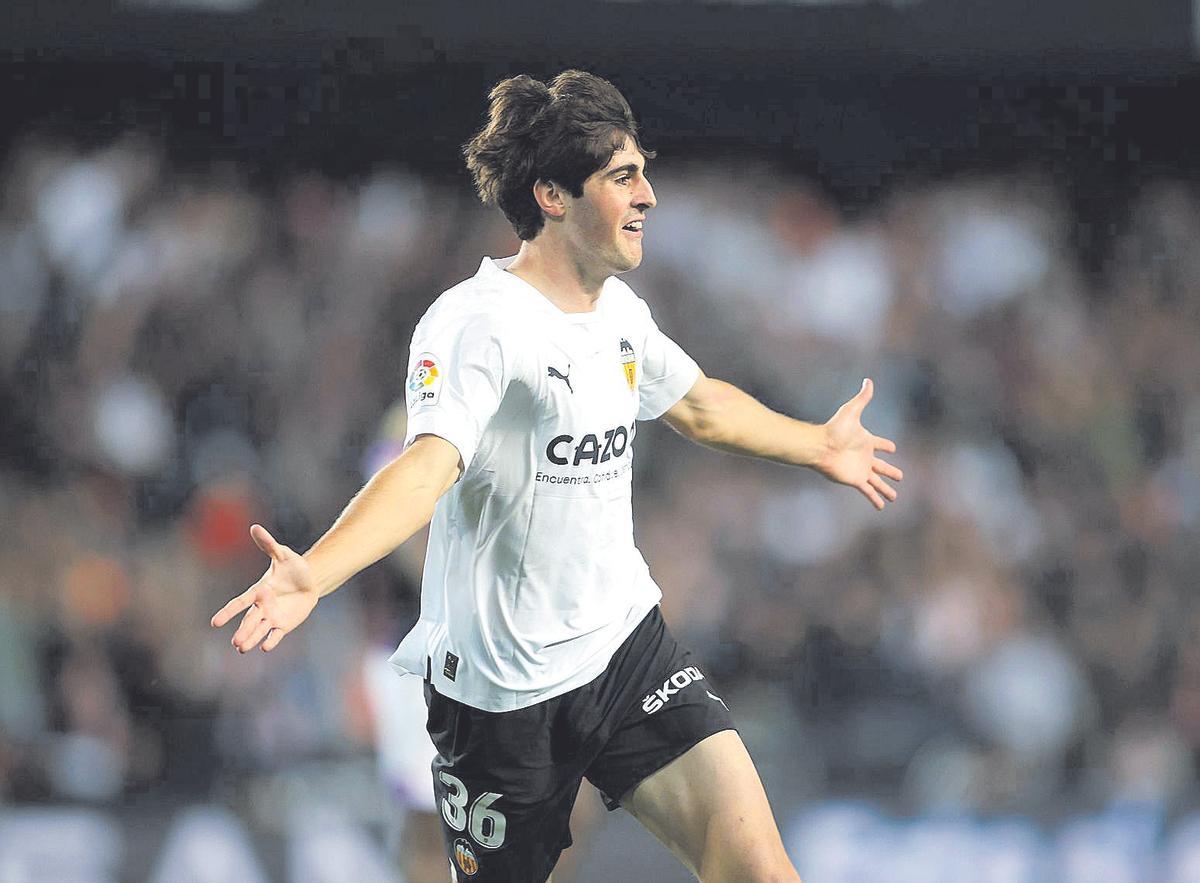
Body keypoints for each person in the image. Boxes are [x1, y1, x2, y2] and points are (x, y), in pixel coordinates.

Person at [211, 69, 902, 882]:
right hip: (501, 700)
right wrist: (314, 575)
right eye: (623, 177)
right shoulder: (476, 323)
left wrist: (817, 445)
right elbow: (426, 468)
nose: (648, 195)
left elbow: (700, 405)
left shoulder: (618, 313)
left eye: (643, 170)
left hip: (623, 650)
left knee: (758, 867)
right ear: (551, 195)